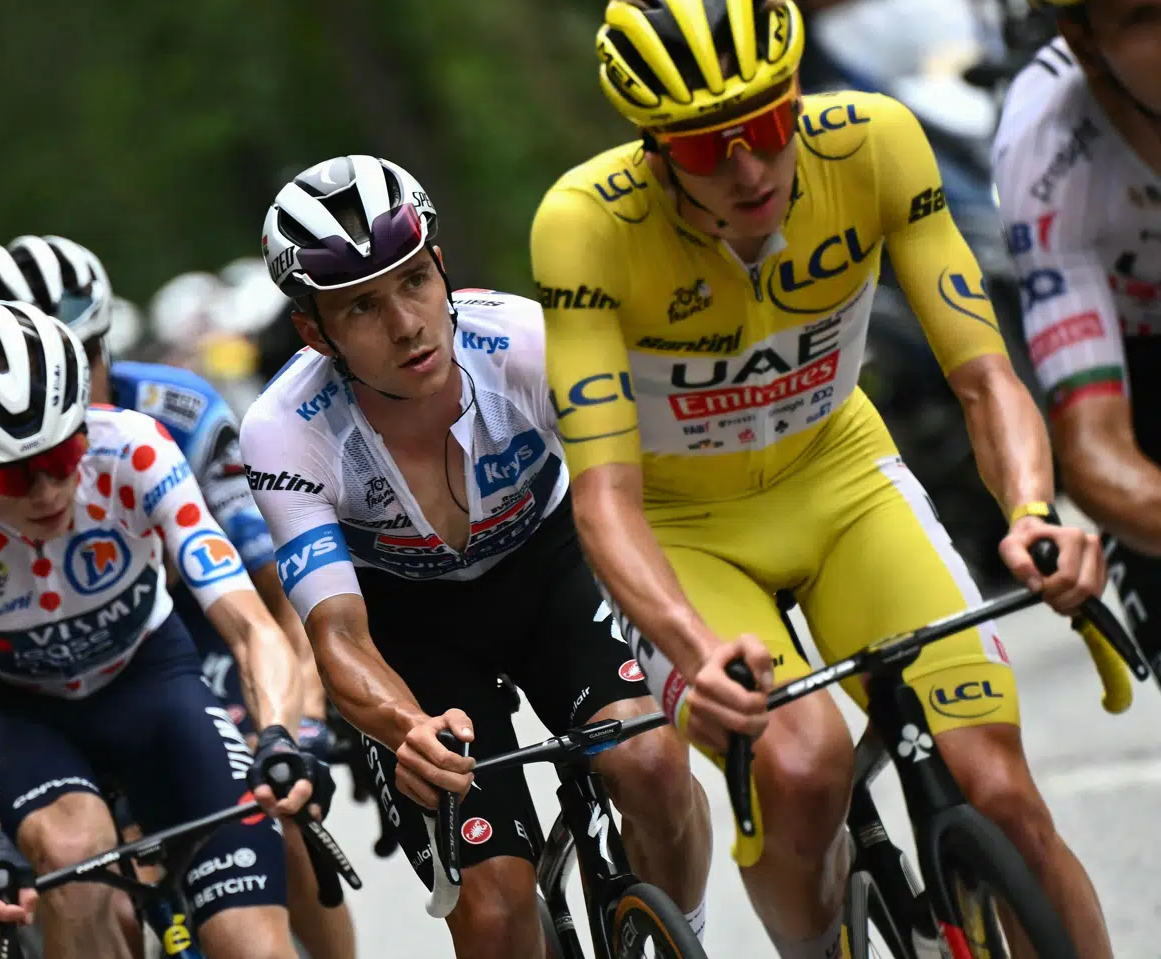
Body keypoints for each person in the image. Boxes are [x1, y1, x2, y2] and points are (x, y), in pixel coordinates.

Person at [532, 1, 1113, 956]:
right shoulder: (586, 227)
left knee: (1002, 795)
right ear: (652, 147)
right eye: (710, 149)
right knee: (803, 767)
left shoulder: (876, 144)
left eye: (767, 126)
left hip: (840, 477)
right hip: (688, 530)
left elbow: (984, 374)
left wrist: (1032, 512)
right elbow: (603, 497)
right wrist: (688, 643)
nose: (750, 167)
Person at [244, 154, 711, 959]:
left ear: (441, 267)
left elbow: (641, 503)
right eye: (362, 308)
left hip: (551, 568)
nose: (407, 324)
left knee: (653, 762)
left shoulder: (523, 342)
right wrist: (405, 728)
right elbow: (339, 637)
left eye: (415, 281)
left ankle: (682, 936)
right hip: (414, 632)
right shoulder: (286, 430)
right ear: (316, 332)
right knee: (495, 912)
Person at [0, 300, 329, 959]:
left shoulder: (135, 447)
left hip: (150, 679)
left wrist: (283, 730)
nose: (49, 489)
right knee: (72, 853)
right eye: (12, 473)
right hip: (21, 713)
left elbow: (252, 626)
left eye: (63, 455)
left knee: (254, 948)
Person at [992, 0, 1161, 678]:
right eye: (1145, 16)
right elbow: (1095, 453)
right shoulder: (1047, 152)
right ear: (1083, 42)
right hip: (1139, 359)